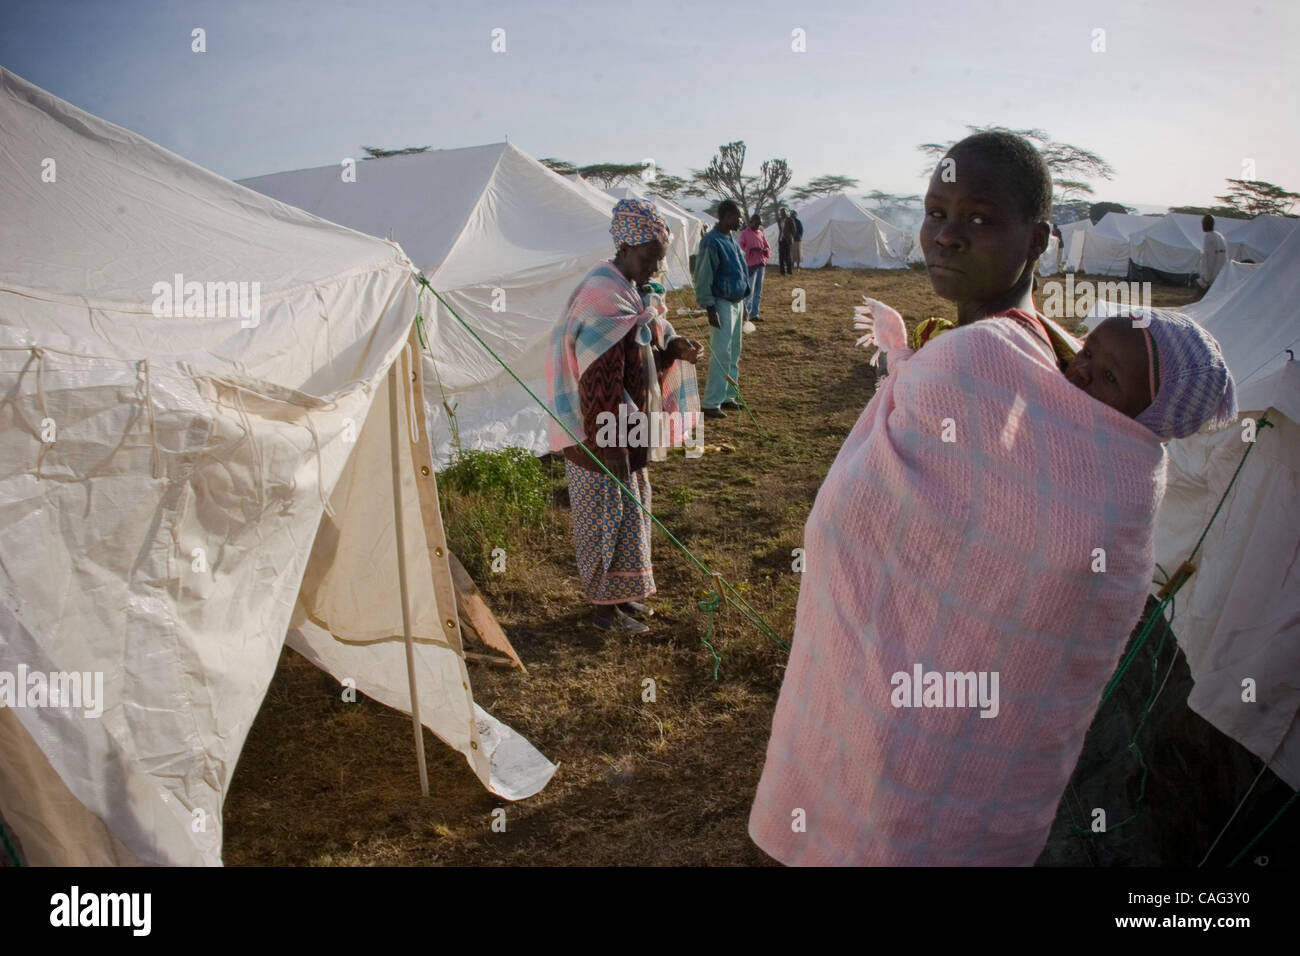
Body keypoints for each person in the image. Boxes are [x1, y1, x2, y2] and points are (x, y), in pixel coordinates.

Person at [748, 130, 1236, 866]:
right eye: (936, 209)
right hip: (912, 705)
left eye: (979, 217)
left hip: (928, 723)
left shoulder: (992, 358)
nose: (946, 233)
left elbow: (1067, 537)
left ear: (1037, 238)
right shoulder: (1041, 354)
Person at [549, 199, 703, 634]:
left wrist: (673, 347)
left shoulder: (630, 290)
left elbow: (642, 346)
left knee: (630, 509)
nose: (655, 268)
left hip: (625, 429)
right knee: (602, 517)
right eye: (649, 257)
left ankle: (623, 596)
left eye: (659, 258)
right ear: (625, 246)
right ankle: (603, 612)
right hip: (599, 435)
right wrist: (608, 446)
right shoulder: (603, 296)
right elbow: (597, 384)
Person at [694, 199, 750, 418]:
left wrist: (744, 302)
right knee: (721, 352)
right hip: (721, 303)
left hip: (737, 302)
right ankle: (711, 402)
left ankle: (728, 396)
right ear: (726, 216)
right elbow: (703, 275)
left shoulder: (732, 240)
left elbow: (742, 271)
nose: (740, 220)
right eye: (738, 216)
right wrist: (709, 307)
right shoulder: (711, 241)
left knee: (734, 351)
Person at [738, 213, 771, 323]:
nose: (757, 226)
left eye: (759, 224)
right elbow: (741, 248)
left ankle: (754, 314)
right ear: (751, 222)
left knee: (758, 290)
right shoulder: (744, 233)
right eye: (756, 223)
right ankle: (745, 313)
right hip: (751, 265)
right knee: (749, 291)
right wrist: (751, 250)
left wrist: (764, 251)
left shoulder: (760, 233)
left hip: (760, 264)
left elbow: (767, 246)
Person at [1198, 214, 1229, 289]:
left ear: (1205, 224)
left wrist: (1206, 278)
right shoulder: (1220, 236)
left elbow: (1209, 259)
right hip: (1221, 274)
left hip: (1212, 277)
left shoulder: (1208, 237)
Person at [777, 207, 795, 275]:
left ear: (786, 212)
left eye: (783, 212)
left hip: (787, 240)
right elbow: (780, 230)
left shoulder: (790, 220)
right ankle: (782, 271)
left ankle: (789, 271)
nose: (782, 213)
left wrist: (790, 237)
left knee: (788, 256)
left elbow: (794, 230)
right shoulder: (779, 220)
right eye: (781, 212)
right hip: (781, 239)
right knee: (781, 256)